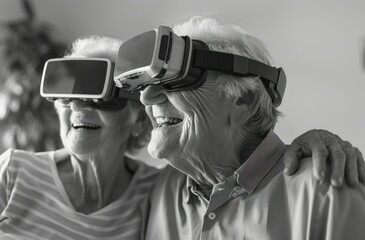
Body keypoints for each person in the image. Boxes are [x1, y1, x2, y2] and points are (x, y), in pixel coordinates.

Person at [0, 35, 362, 240]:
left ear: (139, 124)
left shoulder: (151, 190)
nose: (80, 108)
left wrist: (314, 141)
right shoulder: (15, 170)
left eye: (104, 97)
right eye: (69, 96)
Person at [135, 16, 365, 239]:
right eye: (147, 84)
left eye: (174, 80)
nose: (147, 97)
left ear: (245, 100)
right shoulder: (151, 192)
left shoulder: (327, 193)